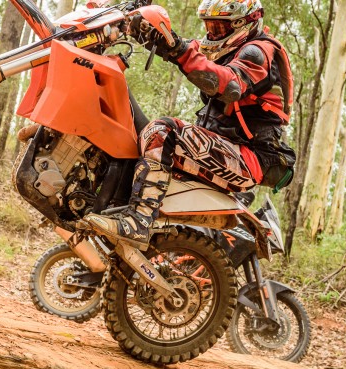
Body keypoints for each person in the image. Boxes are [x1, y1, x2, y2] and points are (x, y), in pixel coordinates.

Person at [83, 0, 296, 246]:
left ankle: (138, 223)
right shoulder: (224, 49)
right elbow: (184, 47)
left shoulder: (257, 52)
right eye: (210, 27)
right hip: (225, 150)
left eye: (219, 28)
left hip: (251, 158)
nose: (212, 34)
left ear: (243, 24)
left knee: (162, 132)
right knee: (134, 131)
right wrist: (136, 27)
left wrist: (178, 49)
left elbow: (229, 85)